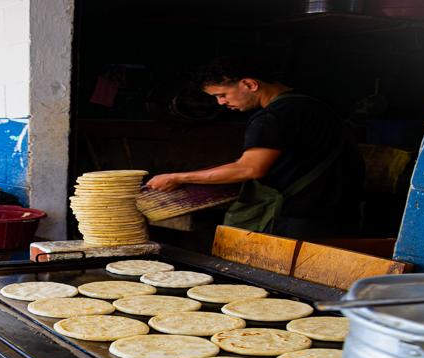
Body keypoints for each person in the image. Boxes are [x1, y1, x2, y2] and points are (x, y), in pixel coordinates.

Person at [146, 57, 364, 238]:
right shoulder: (314, 106)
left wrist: (177, 178)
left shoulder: (272, 118)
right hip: (340, 217)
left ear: (249, 84)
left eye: (222, 95)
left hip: (298, 221)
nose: (221, 103)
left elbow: (249, 169)